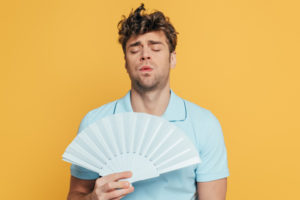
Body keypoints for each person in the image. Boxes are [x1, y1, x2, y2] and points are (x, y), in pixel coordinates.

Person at [67, 3, 229, 200]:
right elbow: (76, 195)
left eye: (155, 48)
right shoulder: (95, 123)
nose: (145, 55)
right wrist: (93, 198)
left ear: (172, 59)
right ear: (125, 63)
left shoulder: (204, 124)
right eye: (135, 50)